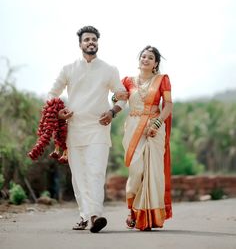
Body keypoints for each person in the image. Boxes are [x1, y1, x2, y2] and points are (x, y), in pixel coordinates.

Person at [48, 26, 125, 233]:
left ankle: (95, 215)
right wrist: (58, 113)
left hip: (99, 129)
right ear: (80, 44)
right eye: (86, 39)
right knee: (79, 176)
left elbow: (122, 94)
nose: (90, 42)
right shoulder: (68, 69)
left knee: (96, 173)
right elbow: (51, 94)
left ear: (98, 43)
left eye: (94, 39)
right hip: (74, 130)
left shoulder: (109, 69)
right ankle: (84, 215)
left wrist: (112, 112)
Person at [114, 45, 173, 231]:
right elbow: (120, 101)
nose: (145, 59)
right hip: (133, 128)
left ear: (155, 64)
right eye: (143, 56)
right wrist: (114, 100)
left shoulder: (162, 80)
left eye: (150, 58)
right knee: (136, 170)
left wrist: (157, 124)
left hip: (153, 130)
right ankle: (133, 210)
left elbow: (168, 105)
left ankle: (144, 216)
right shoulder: (127, 81)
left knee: (152, 173)